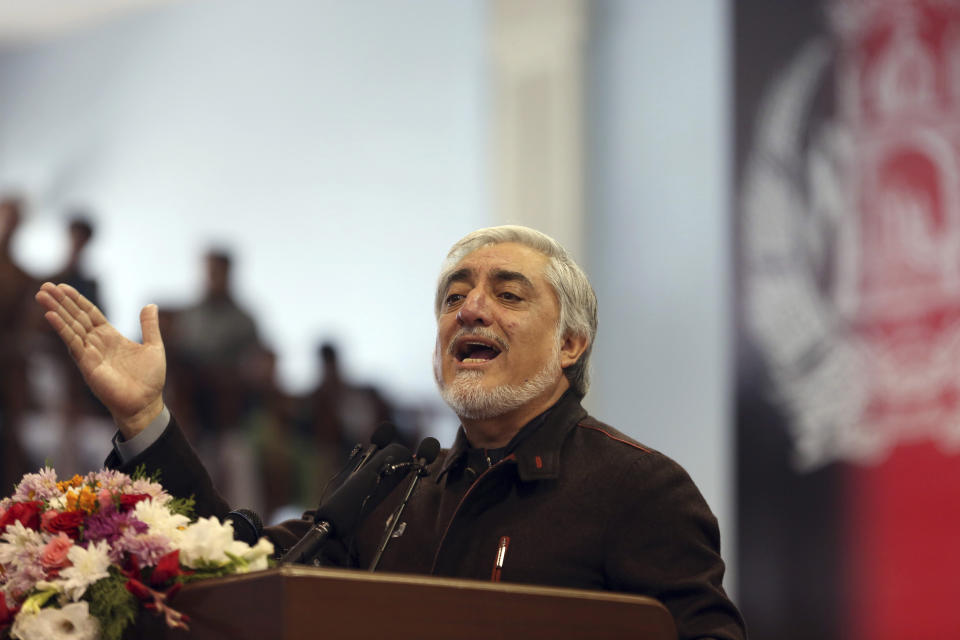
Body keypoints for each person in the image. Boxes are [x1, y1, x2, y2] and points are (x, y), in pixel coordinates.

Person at [35, 225, 747, 639]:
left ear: (571, 345)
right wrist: (143, 419)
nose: (471, 310)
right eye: (454, 295)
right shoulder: (390, 483)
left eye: (508, 293)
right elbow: (241, 568)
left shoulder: (639, 489)